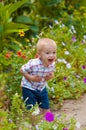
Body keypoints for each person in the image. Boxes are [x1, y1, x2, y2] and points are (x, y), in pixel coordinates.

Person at [20, 38, 57, 115]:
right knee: (31, 108)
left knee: (46, 106)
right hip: (28, 87)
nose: (52, 55)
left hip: (41, 87)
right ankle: (32, 123)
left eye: (54, 52)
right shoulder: (33, 64)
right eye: (47, 53)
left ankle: (49, 122)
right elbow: (22, 70)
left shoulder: (52, 64)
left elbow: (50, 74)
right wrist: (31, 78)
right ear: (39, 54)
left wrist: (49, 77)